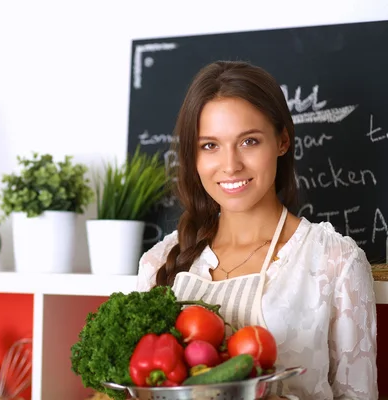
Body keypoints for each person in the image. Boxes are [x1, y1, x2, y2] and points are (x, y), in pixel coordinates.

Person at [136, 60, 378, 399]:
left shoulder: (335, 261)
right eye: (210, 145)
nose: (231, 165)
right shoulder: (158, 262)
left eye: (249, 141)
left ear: (282, 141)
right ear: (193, 156)